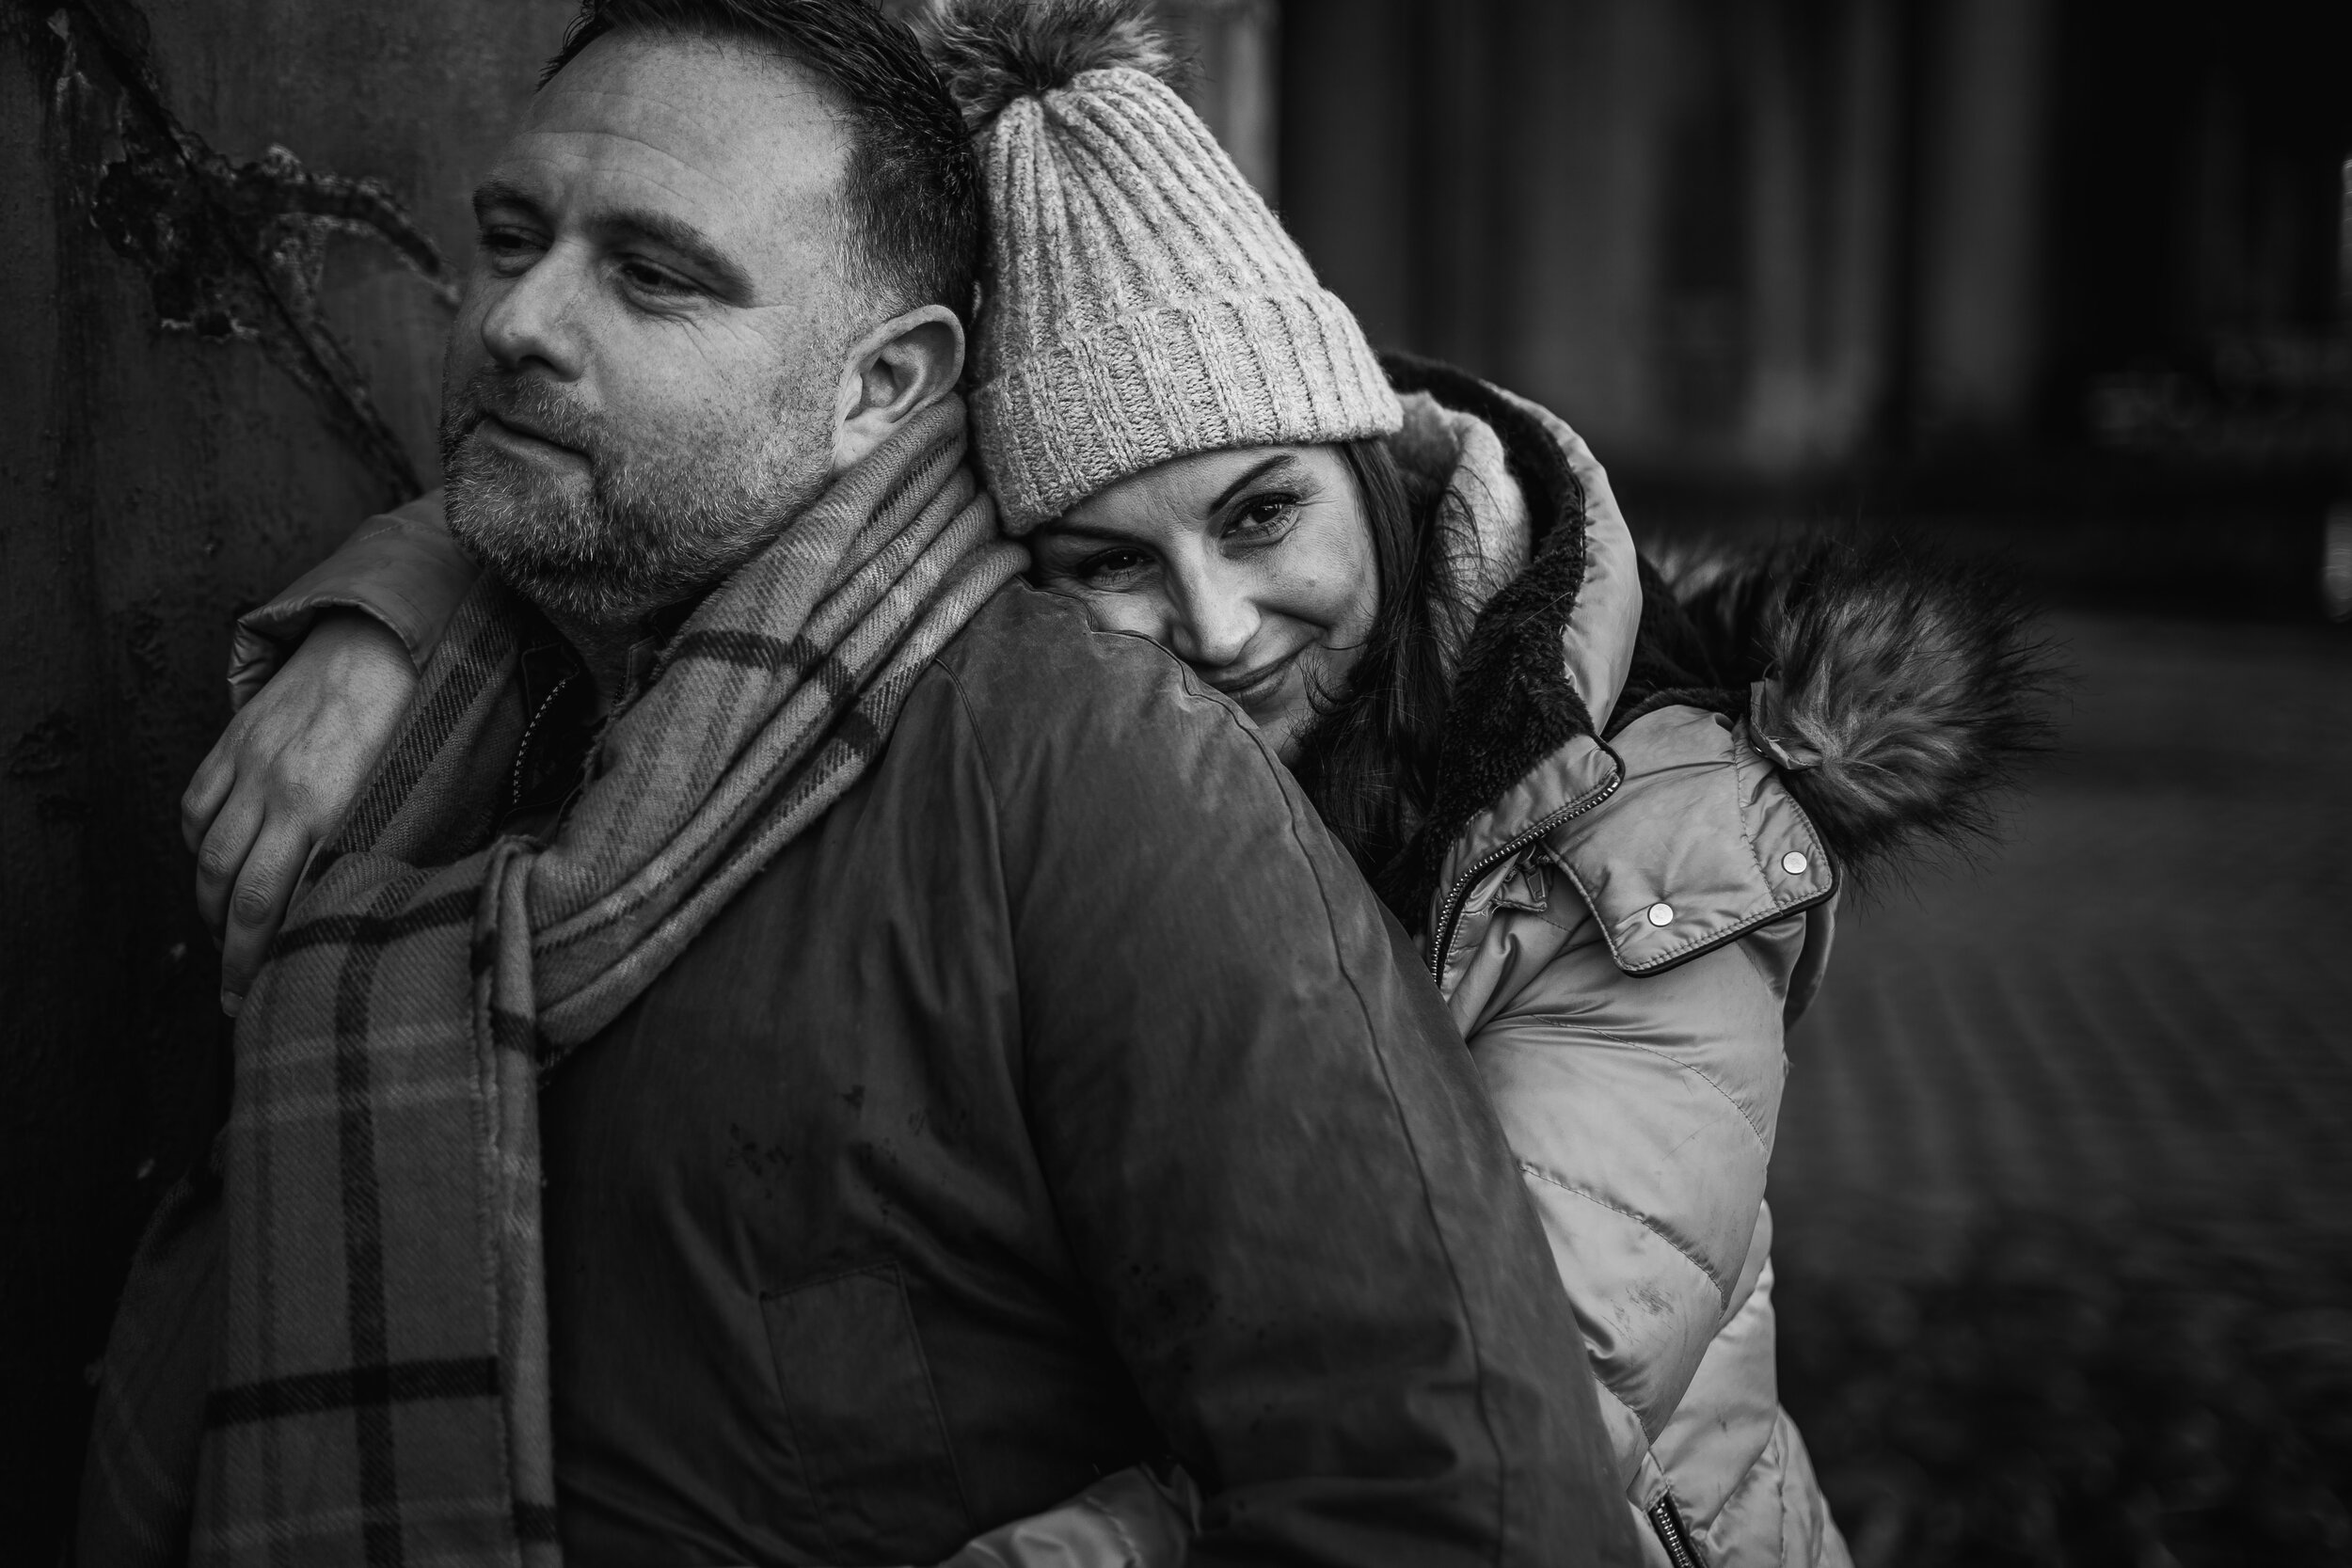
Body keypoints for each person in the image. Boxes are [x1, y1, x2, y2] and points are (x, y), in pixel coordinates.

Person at [179, 3, 2052, 1565]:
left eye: (1258, 517)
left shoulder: (1650, 851)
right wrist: (400, 605)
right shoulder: (1041, 735)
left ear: (1371, 465)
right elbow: (657, 485)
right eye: (1105, 563)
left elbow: (1523, 1393)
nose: (1218, 624)